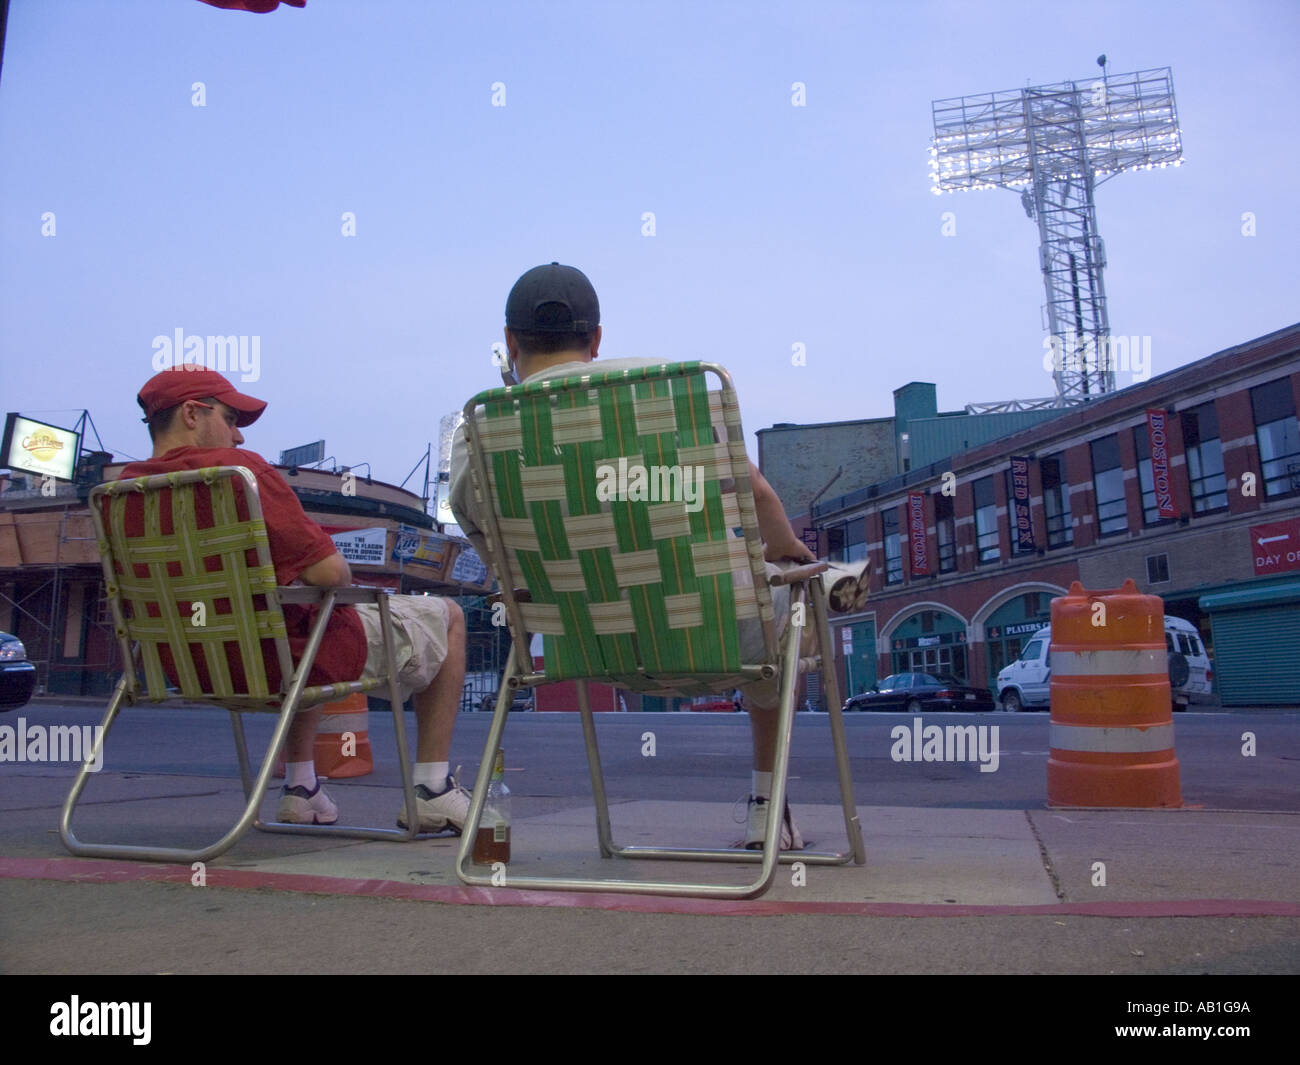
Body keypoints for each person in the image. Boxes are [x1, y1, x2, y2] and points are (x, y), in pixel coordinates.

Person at [450, 263, 853, 850]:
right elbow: (756, 497)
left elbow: (494, 554)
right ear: (596, 340)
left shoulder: (480, 427)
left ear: (510, 343)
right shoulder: (662, 392)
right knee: (792, 600)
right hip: (710, 634)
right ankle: (767, 805)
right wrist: (791, 557)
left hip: (581, 642)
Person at [125, 367, 471, 834]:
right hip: (274, 663)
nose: (238, 433)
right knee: (445, 615)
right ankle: (432, 789)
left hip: (187, 667)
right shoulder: (239, 475)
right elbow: (330, 572)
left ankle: (302, 788)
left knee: (294, 619)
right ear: (191, 413)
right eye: (230, 417)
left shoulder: (120, 493)